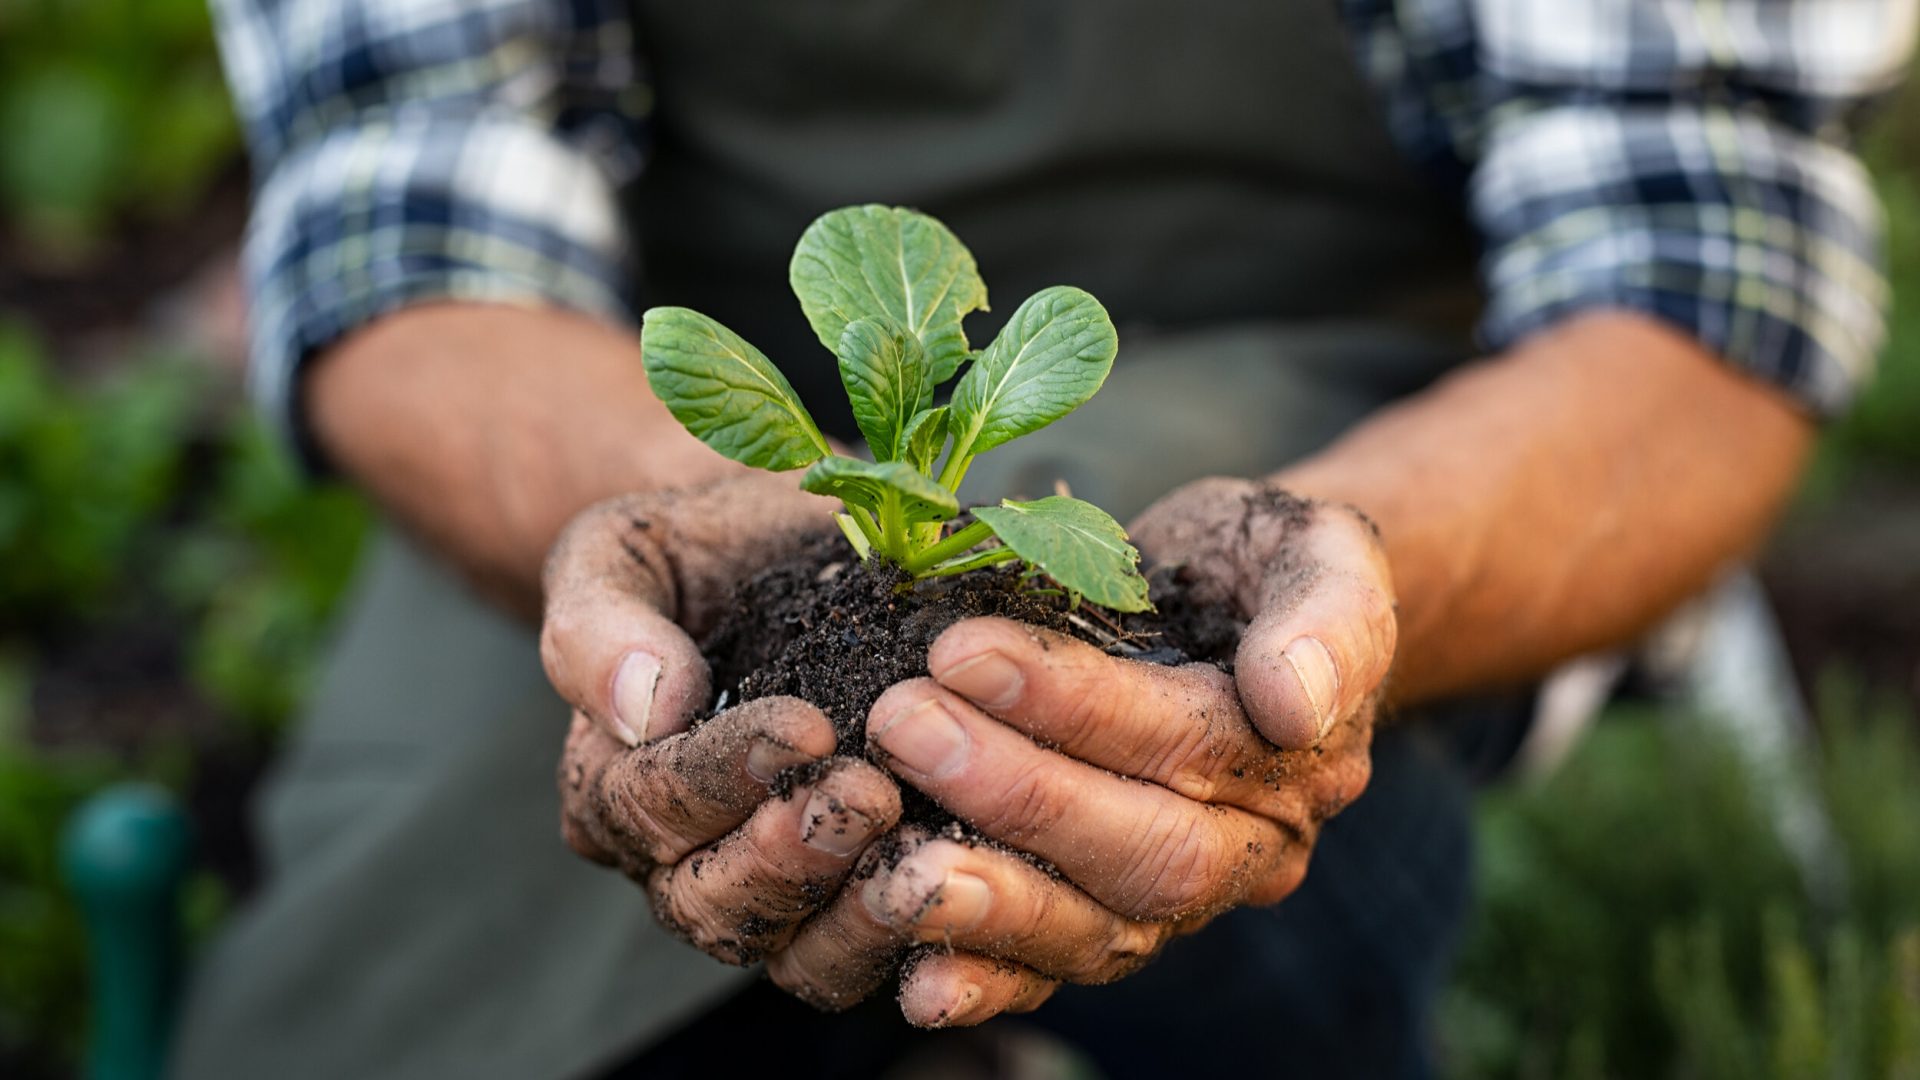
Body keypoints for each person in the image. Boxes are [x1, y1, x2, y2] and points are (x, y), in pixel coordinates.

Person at [177, 2, 1913, 1078]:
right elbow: (401, 216)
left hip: (1372, 413)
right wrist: (688, 543)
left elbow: (1694, 279)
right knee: (429, 961)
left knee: (1194, 801)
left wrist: (1352, 587)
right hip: (623, 435)